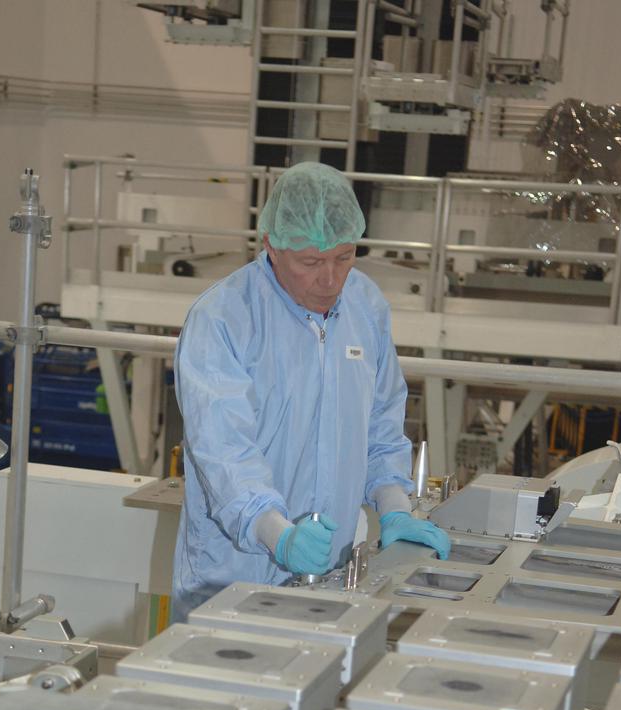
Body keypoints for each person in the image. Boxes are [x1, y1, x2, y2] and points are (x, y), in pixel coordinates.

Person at [172, 161, 449, 620]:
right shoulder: (223, 319)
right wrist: (279, 534)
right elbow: (224, 453)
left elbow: (380, 424)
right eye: (310, 262)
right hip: (232, 580)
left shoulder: (365, 306)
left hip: (332, 579)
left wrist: (396, 509)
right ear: (271, 248)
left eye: (344, 257)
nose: (330, 279)